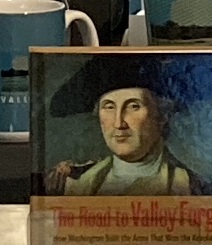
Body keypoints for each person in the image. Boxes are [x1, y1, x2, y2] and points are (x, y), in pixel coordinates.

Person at [40, 60, 201, 194]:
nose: (118, 123)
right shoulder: (70, 182)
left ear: (162, 115)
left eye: (133, 106)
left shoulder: (191, 187)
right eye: (109, 107)